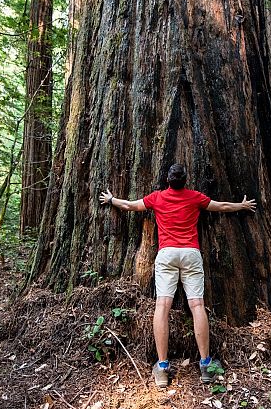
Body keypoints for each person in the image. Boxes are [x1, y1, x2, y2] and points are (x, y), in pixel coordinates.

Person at [99, 163, 256, 387]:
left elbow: (129, 205)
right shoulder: (195, 197)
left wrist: (111, 200)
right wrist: (241, 205)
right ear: (185, 181)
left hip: (167, 254)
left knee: (162, 306)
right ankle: (205, 365)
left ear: (168, 181)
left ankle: (162, 368)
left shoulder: (157, 198)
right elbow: (221, 206)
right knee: (197, 306)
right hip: (191, 253)